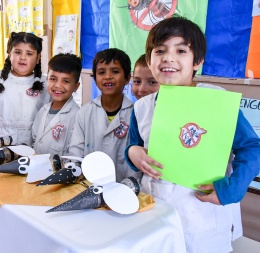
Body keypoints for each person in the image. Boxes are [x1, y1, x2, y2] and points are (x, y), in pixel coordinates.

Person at [125, 16, 260, 253]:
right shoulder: (141, 107)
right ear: (149, 59)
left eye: (180, 50)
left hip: (203, 217)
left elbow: (251, 147)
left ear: (197, 61)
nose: (168, 57)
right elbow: (135, 146)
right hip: (155, 212)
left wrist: (232, 188)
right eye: (160, 50)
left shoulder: (217, 102)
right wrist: (132, 152)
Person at [68, 48, 135, 182]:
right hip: (87, 185)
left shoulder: (135, 114)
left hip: (123, 189)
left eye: (115, 71)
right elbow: (75, 153)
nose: (107, 76)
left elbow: (135, 164)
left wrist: (128, 187)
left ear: (127, 78)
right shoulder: (85, 113)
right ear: (95, 77)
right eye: (101, 72)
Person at [0, 32, 50, 146]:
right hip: (0, 142)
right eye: (18, 52)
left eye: (29, 53)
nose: (23, 57)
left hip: (31, 144)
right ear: (9, 54)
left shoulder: (44, 84)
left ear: (38, 58)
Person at [32, 53, 81, 155]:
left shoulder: (77, 116)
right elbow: (34, 140)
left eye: (66, 81)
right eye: (53, 79)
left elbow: (74, 155)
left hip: (60, 170)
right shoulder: (42, 111)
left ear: (76, 86)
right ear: (47, 80)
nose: (58, 85)